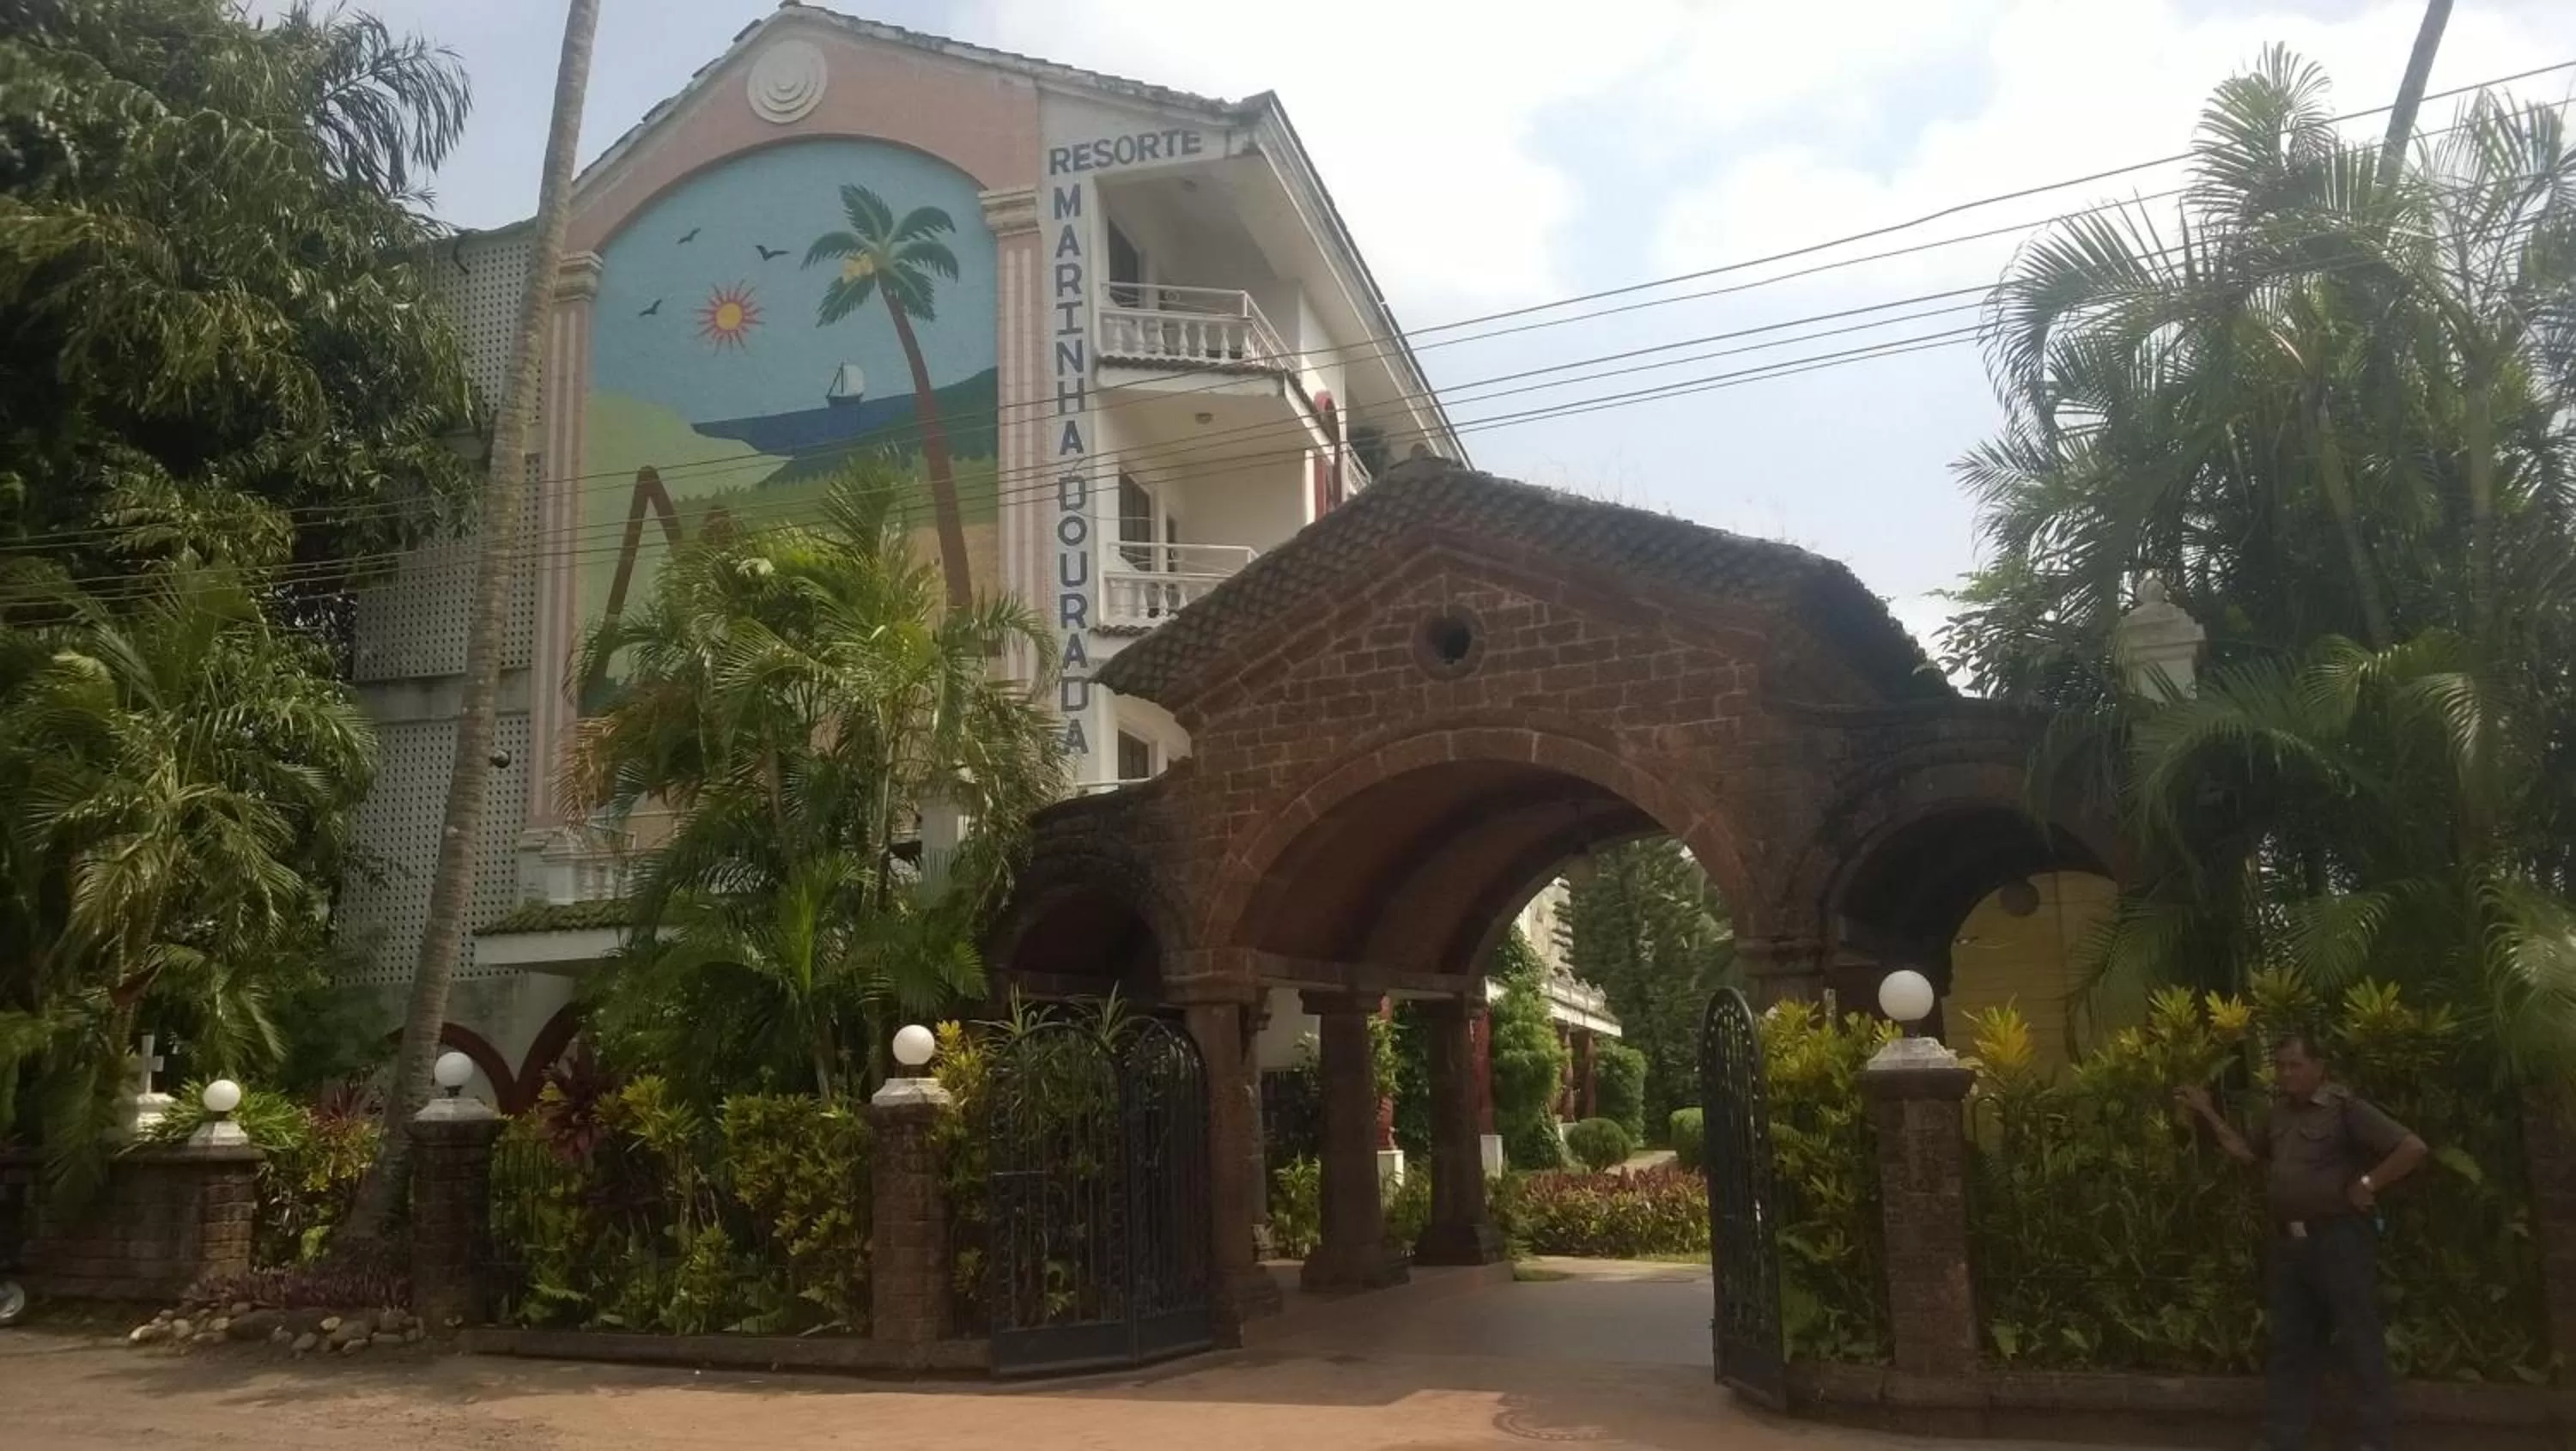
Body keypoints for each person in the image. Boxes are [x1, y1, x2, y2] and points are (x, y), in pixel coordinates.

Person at [2177, 1033, 2429, 1451]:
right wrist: (2206, 1111)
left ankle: (2374, 1438)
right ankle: (2281, 1436)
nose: (2286, 1073)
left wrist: (2368, 1183)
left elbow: (2412, 1147)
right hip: (2290, 1245)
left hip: (2339, 1239)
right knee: (2291, 1341)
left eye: (2295, 1065)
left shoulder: (2344, 1109)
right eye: (2280, 1066)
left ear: (2319, 1067)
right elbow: (2247, 1154)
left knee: (2358, 1335)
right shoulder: (2278, 1115)